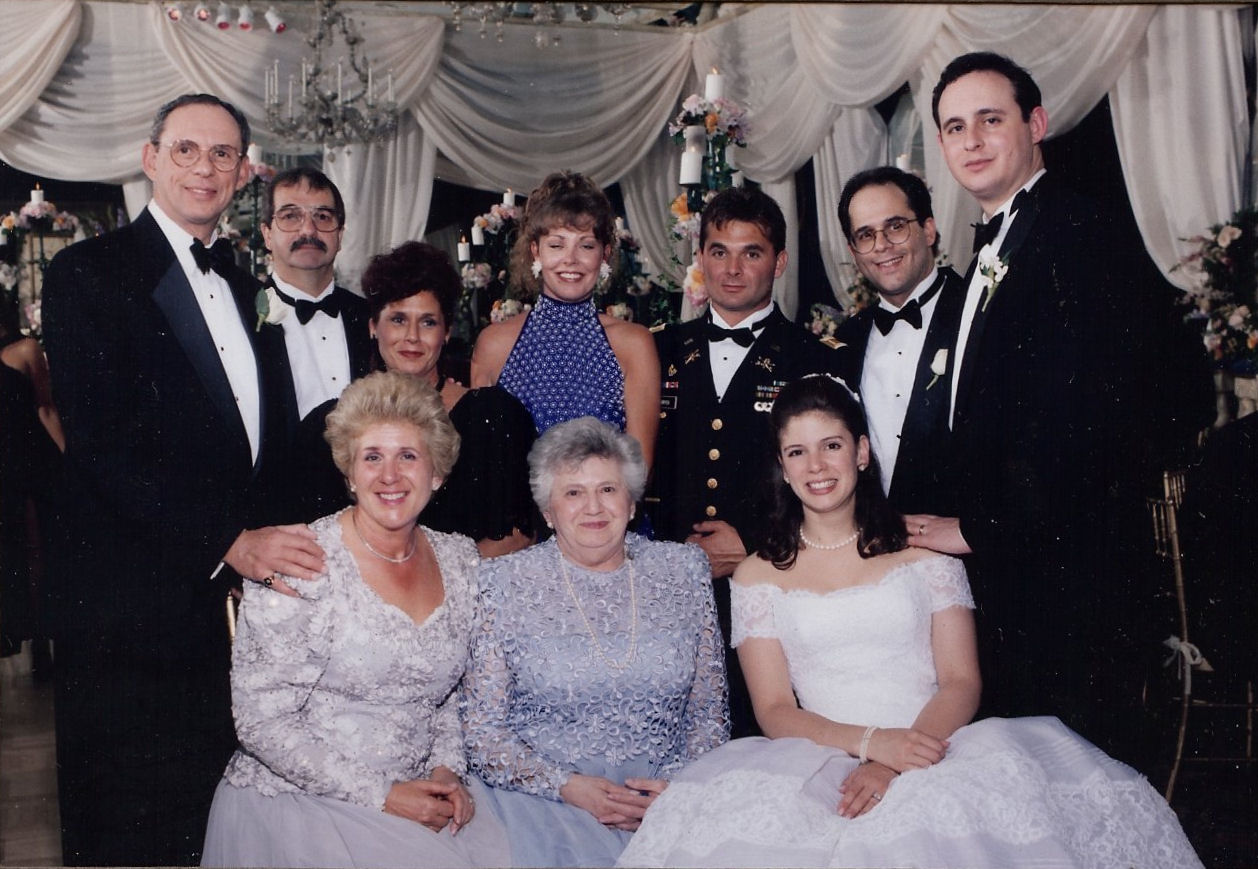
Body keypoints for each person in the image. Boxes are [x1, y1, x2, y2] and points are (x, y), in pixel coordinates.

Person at [618, 375, 1202, 869]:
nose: (816, 466)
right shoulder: (756, 576)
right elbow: (774, 710)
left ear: (861, 452)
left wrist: (897, 759)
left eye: (831, 445)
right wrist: (872, 746)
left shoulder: (926, 556)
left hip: (938, 750)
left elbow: (960, 681)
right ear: (782, 467)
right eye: (797, 452)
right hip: (817, 758)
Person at [908, 52, 1211, 768]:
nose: (972, 140)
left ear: (1036, 124)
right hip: (1014, 574)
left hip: (1071, 576)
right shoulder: (997, 245)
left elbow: (1098, 424)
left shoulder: (1081, 234)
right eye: (955, 127)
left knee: (1076, 779)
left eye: (990, 119)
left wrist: (978, 527)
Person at [41, 94, 322, 865]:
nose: (205, 167)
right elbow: (101, 444)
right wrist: (228, 538)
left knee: (217, 816)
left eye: (223, 153)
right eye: (187, 149)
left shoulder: (242, 278)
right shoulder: (87, 272)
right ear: (151, 158)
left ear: (243, 172)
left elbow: (257, 438)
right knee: (130, 829)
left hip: (223, 611)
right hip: (128, 605)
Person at [201, 371, 509, 868]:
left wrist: (447, 770)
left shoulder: (460, 561)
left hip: (421, 793)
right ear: (349, 474)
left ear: (437, 473)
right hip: (307, 805)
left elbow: (448, 695)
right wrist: (385, 795)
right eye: (372, 457)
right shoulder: (301, 560)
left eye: (407, 456)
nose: (389, 476)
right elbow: (261, 721)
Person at [461, 416, 728, 867]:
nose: (593, 507)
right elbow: (483, 734)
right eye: (573, 493)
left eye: (607, 489)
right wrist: (565, 786)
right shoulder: (500, 582)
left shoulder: (684, 570)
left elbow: (708, 716)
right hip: (544, 807)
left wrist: (674, 790)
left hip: (667, 798)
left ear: (631, 502)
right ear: (548, 512)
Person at [649, 186, 846, 737]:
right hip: (668, 596)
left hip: (773, 589)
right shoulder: (657, 351)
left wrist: (756, 543)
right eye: (719, 252)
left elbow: (836, 482)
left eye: (751, 253)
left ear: (779, 262)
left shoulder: (814, 359)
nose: (732, 270)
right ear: (701, 258)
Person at [290, 240, 536, 558]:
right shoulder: (330, 425)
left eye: (428, 322)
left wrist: (440, 580)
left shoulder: (493, 415)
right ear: (373, 326)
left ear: (447, 332)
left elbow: (519, 536)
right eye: (398, 319)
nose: (412, 337)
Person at [471, 172, 660, 467]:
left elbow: (640, 470)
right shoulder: (494, 344)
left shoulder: (634, 344)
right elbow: (484, 466)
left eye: (586, 245)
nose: (570, 259)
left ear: (604, 255)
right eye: (557, 245)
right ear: (536, 251)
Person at [834, 167, 965, 515]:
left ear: (928, 229)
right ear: (853, 251)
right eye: (865, 235)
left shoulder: (977, 314)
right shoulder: (845, 340)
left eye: (895, 227)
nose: (881, 246)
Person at [260, 167, 372, 425]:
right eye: (291, 216)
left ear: (339, 236)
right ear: (267, 235)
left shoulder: (370, 316)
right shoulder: (243, 315)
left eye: (322, 216)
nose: (308, 230)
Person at [0, 293, 61, 663]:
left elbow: (46, 408)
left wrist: (70, 463)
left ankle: (40, 640)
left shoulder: (25, 349)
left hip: (28, 468)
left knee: (37, 553)